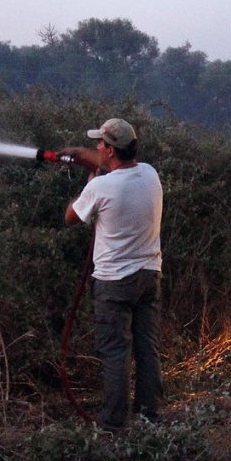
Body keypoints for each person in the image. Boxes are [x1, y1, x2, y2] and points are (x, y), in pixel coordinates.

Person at [61, 118, 164, 429]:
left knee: (115, 353)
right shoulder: (149, 174)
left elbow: (70, 217)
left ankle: (114, 425)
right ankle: (148, 416)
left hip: (114, 283)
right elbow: (114, 167)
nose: (96, 147)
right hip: (149, 276)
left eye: (99, 144)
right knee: (147, 348)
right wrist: (79, 153)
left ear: (108, 149)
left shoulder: (100, 187)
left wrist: (89, 181)